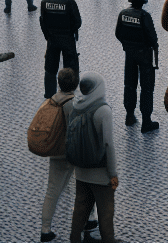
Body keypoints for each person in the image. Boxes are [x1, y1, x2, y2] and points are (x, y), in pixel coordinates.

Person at [37, 67, 97, 243]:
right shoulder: (74, 103)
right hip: (74, 153)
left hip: (56, 152)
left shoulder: (52, 100)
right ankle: (89, 220)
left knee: (52, 190)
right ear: (75, 83)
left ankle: (45, 229)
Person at [67, 72, 119, 243]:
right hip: (100, 174)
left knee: (79, 212)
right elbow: (108, 145)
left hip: (81, 172)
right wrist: (112, 174)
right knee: (106, 215)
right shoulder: (103, 110)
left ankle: (74, 240)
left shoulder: (75, 106)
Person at [115, 0, 159, 133]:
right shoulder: (144, 16)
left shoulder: (123, 13)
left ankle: (129, 115)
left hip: (130, 54)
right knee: (146, 88)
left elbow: (118, 33)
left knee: (129, 84)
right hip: (144, 55)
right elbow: (153, 38)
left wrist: (127, 45)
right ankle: (146, 121)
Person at [40, 0, 82, 98]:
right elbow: (77, 22)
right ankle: (69, 94)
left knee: (50, 69)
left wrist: (48, 36)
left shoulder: (45, 2)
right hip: (67, 39)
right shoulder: (70, 2)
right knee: (70, 68)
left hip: (52, 39)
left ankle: (49, 95)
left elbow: (43, 22)